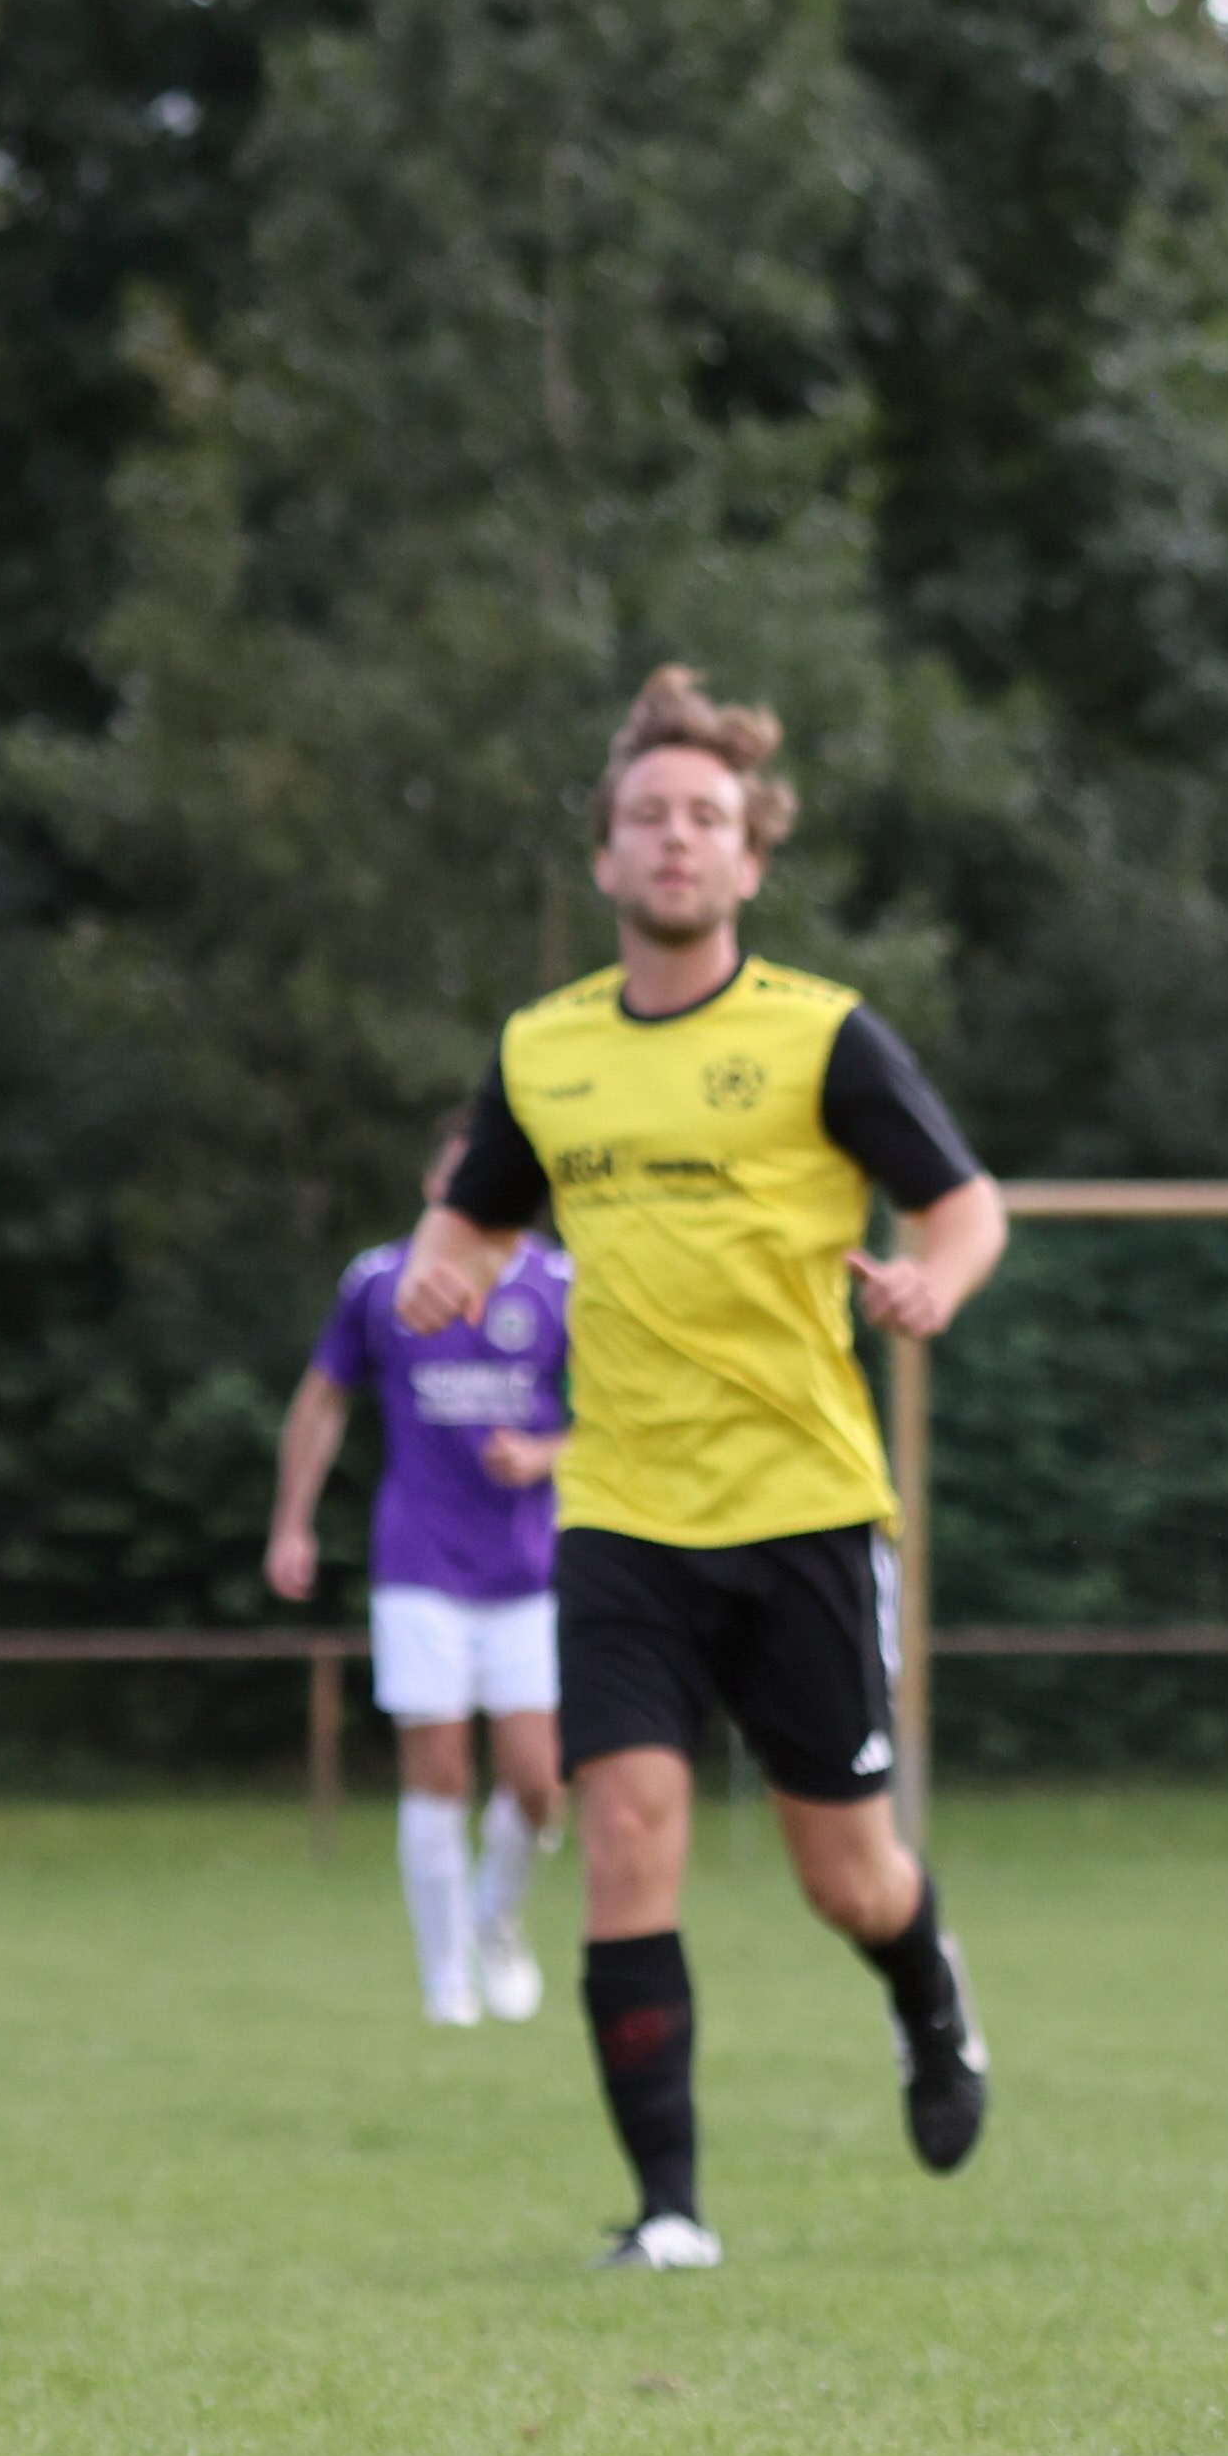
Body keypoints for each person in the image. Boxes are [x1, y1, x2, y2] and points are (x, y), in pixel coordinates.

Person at [395, 672, 1010, 2271]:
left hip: (804, 1509)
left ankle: (928, 1994)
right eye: (648, 815)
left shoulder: (821, 1035)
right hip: (621, 1513)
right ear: (604, 853)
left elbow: (964, 1205)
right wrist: (443, 1264)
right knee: (626, 1829)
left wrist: (933, 1281)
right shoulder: (544, 1050)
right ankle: (667, 2210)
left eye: (707, 817)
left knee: (845, 1875)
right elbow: (473, 1212)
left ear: (748, 857)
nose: (677, 838)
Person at [272, 1127, 573, 2026]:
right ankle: (447, 1982)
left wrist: (547, 1453)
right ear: (434, 1184)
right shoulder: (380, 1282)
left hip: (527, 1569)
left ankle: (495, 1918)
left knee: (539, 1782)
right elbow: (323, 1396)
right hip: (418, 1562)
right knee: (436, 1768)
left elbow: (626, 1412)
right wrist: (291, 1521)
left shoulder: (562, 1282)